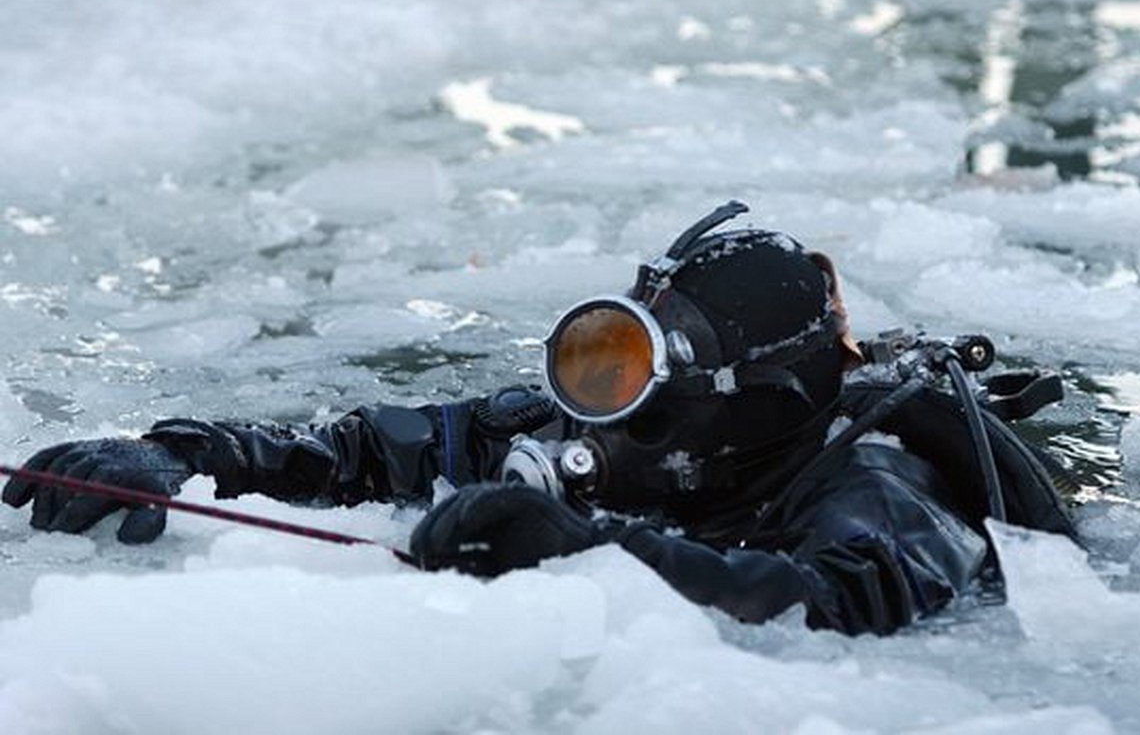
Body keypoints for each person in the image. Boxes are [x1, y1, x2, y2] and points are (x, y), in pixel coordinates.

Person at [1, 202, 1075, 636]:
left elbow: (839, 603)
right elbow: (368, 448)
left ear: (748, 393)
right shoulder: (611, 424)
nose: (610, 397)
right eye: (603, 356)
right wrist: (175, 451)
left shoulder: (878, 475)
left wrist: (593, 550)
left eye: (636, 366)